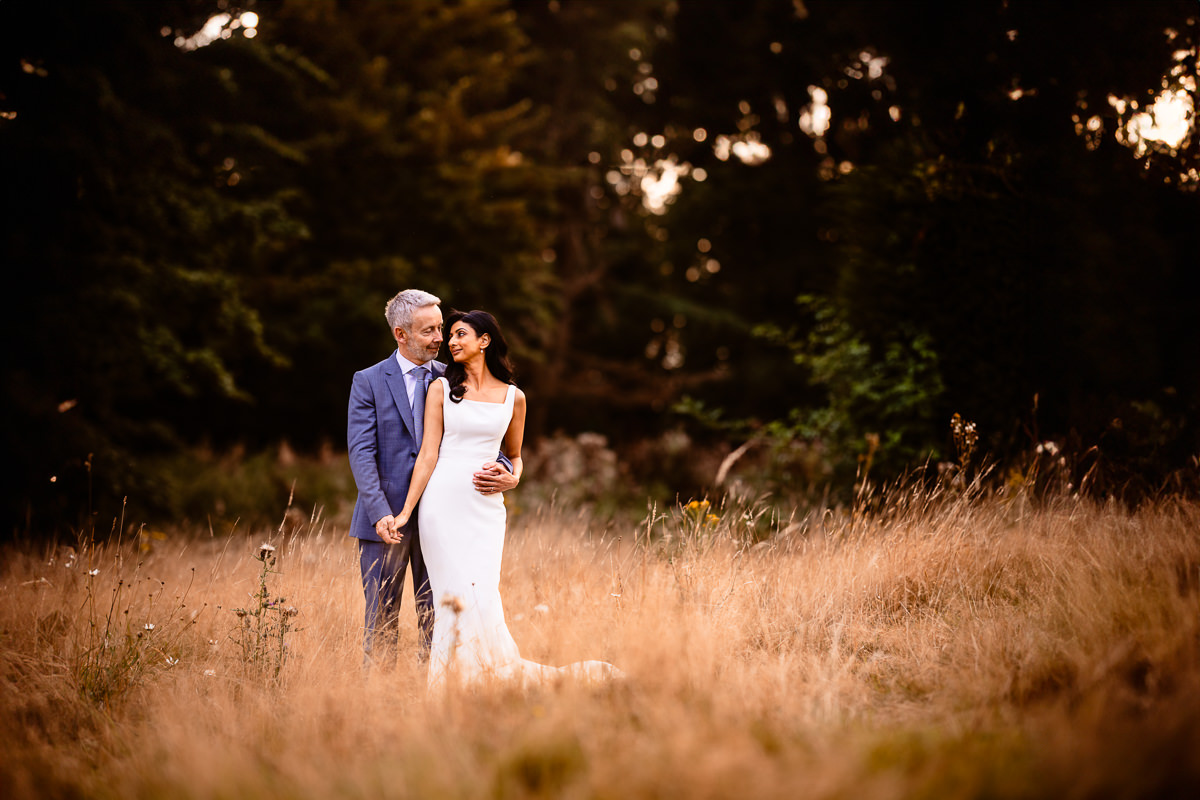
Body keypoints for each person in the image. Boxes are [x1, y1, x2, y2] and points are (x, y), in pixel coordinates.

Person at [394, 309, 618, 690]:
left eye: (460, 334)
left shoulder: (515, 398)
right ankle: (451, 688)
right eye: (450, 335)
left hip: (486, 510)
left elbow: (514, 456)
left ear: (484, 341)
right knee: (453, 594)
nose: (451, 341)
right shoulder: (441, 389)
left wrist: (512, 480)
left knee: (483, 593)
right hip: (442, 505)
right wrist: (405, 511)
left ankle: (486, 681)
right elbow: (428, 454)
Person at [347, 290, 517, 666]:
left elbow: (485, 437)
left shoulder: (452, 379)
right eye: (430, 331)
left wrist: (505, 470)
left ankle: (432, 693)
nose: (441, 338)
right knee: (381, 618)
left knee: (439, 613)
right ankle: (379, 700)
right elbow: (361, 453)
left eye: (441, 328)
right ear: (401, 334)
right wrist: (381, 513)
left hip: (444, 519)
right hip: (386, 519)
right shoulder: (369, 381)